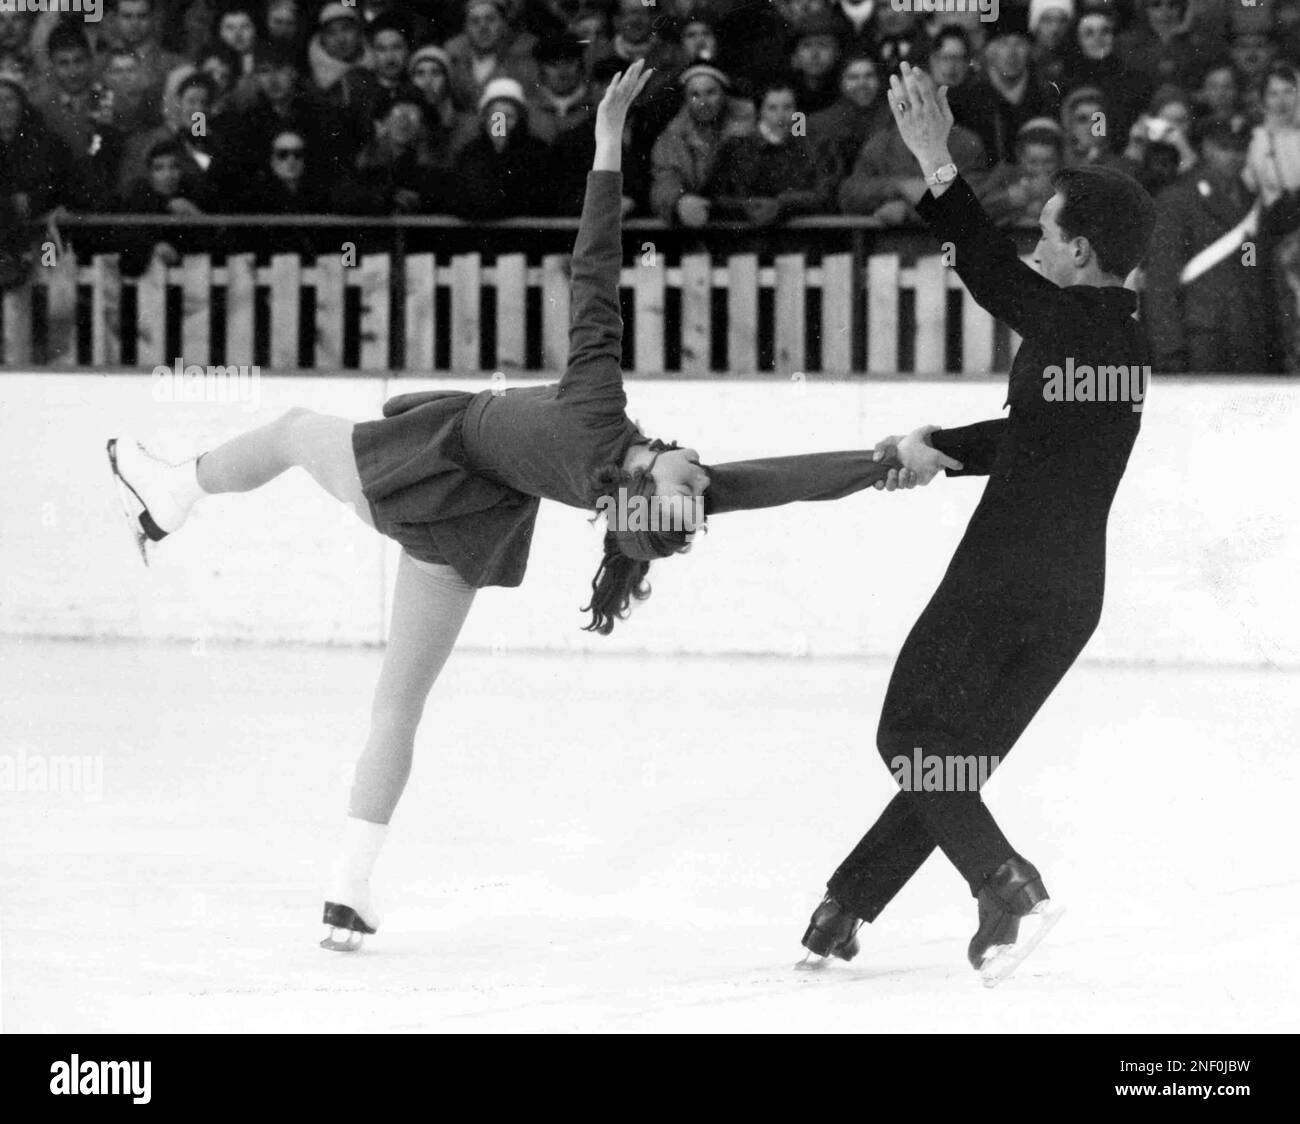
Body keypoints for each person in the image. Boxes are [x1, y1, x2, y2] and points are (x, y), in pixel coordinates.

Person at [106, 60, 925, 953]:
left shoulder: (597, 413)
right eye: (699, 484)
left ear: (646, 492)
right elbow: (777, 482)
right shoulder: (627, 487)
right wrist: (874, 463)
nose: (701, 467)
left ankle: (176, 488)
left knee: (298, 428)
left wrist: (609, 146)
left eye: (690, 481)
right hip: (472, 531)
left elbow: (595, 272)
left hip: (429, 470)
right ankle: (347, 888)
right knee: (396, 707)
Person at [803, 60, 1157, 985]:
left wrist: (936, 160)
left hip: (1008, 575)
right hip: (1068, 593)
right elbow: (1030, 437)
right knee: (949, 759)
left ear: (1080, 252)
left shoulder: (1078, 322)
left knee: (908, 737)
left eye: (1046, 232)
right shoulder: (1111, 334)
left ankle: (1007, 884)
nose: (1034, 242)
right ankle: (851, 902)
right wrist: (936, 445)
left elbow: (994, 279)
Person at [1145, 117, 1268, 373]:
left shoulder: (1250, 201)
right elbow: (1162, 282)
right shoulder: (1178, 198)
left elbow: (1250, 266)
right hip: (1198, 340)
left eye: (1240, 149)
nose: (1234, 156)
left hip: (1246, 338)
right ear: (1208, 148)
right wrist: (1169, 351)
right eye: (1225, 148)